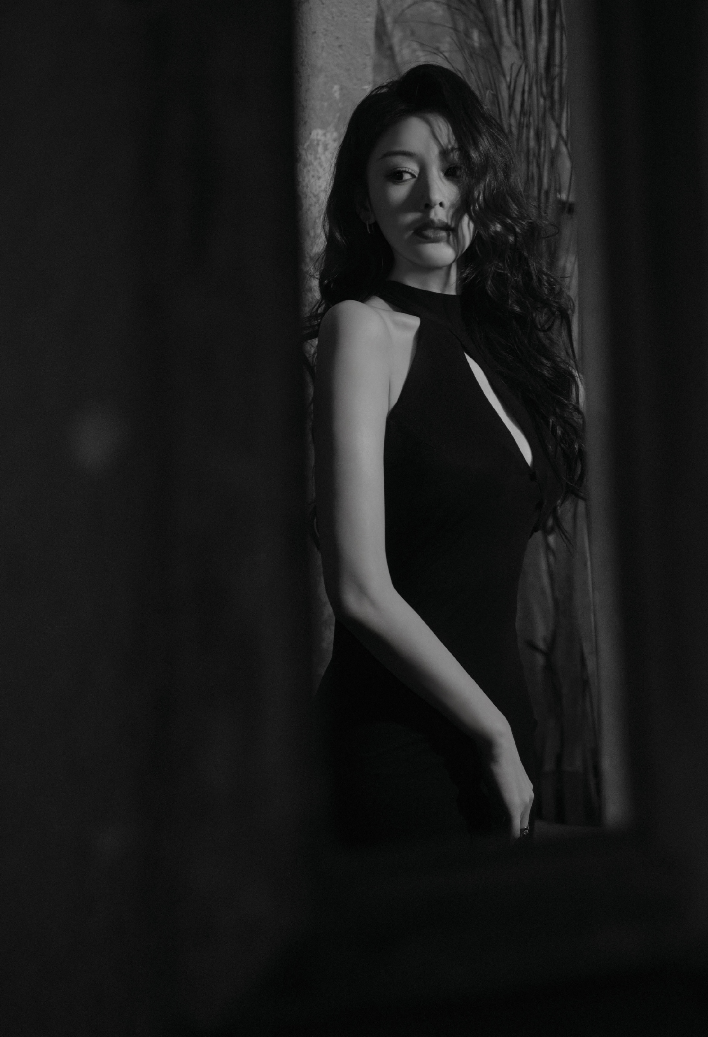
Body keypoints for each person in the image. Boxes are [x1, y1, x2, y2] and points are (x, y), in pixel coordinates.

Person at [306, 64, 585, 848]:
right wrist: (491, 732)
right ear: (366, 203)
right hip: (398, 749)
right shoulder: (362, 330)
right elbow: (358, 589)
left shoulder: (511, 350)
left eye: (455, 171)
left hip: (504, 742)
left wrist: (502, 736)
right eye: (401, 174)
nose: (433, 197)